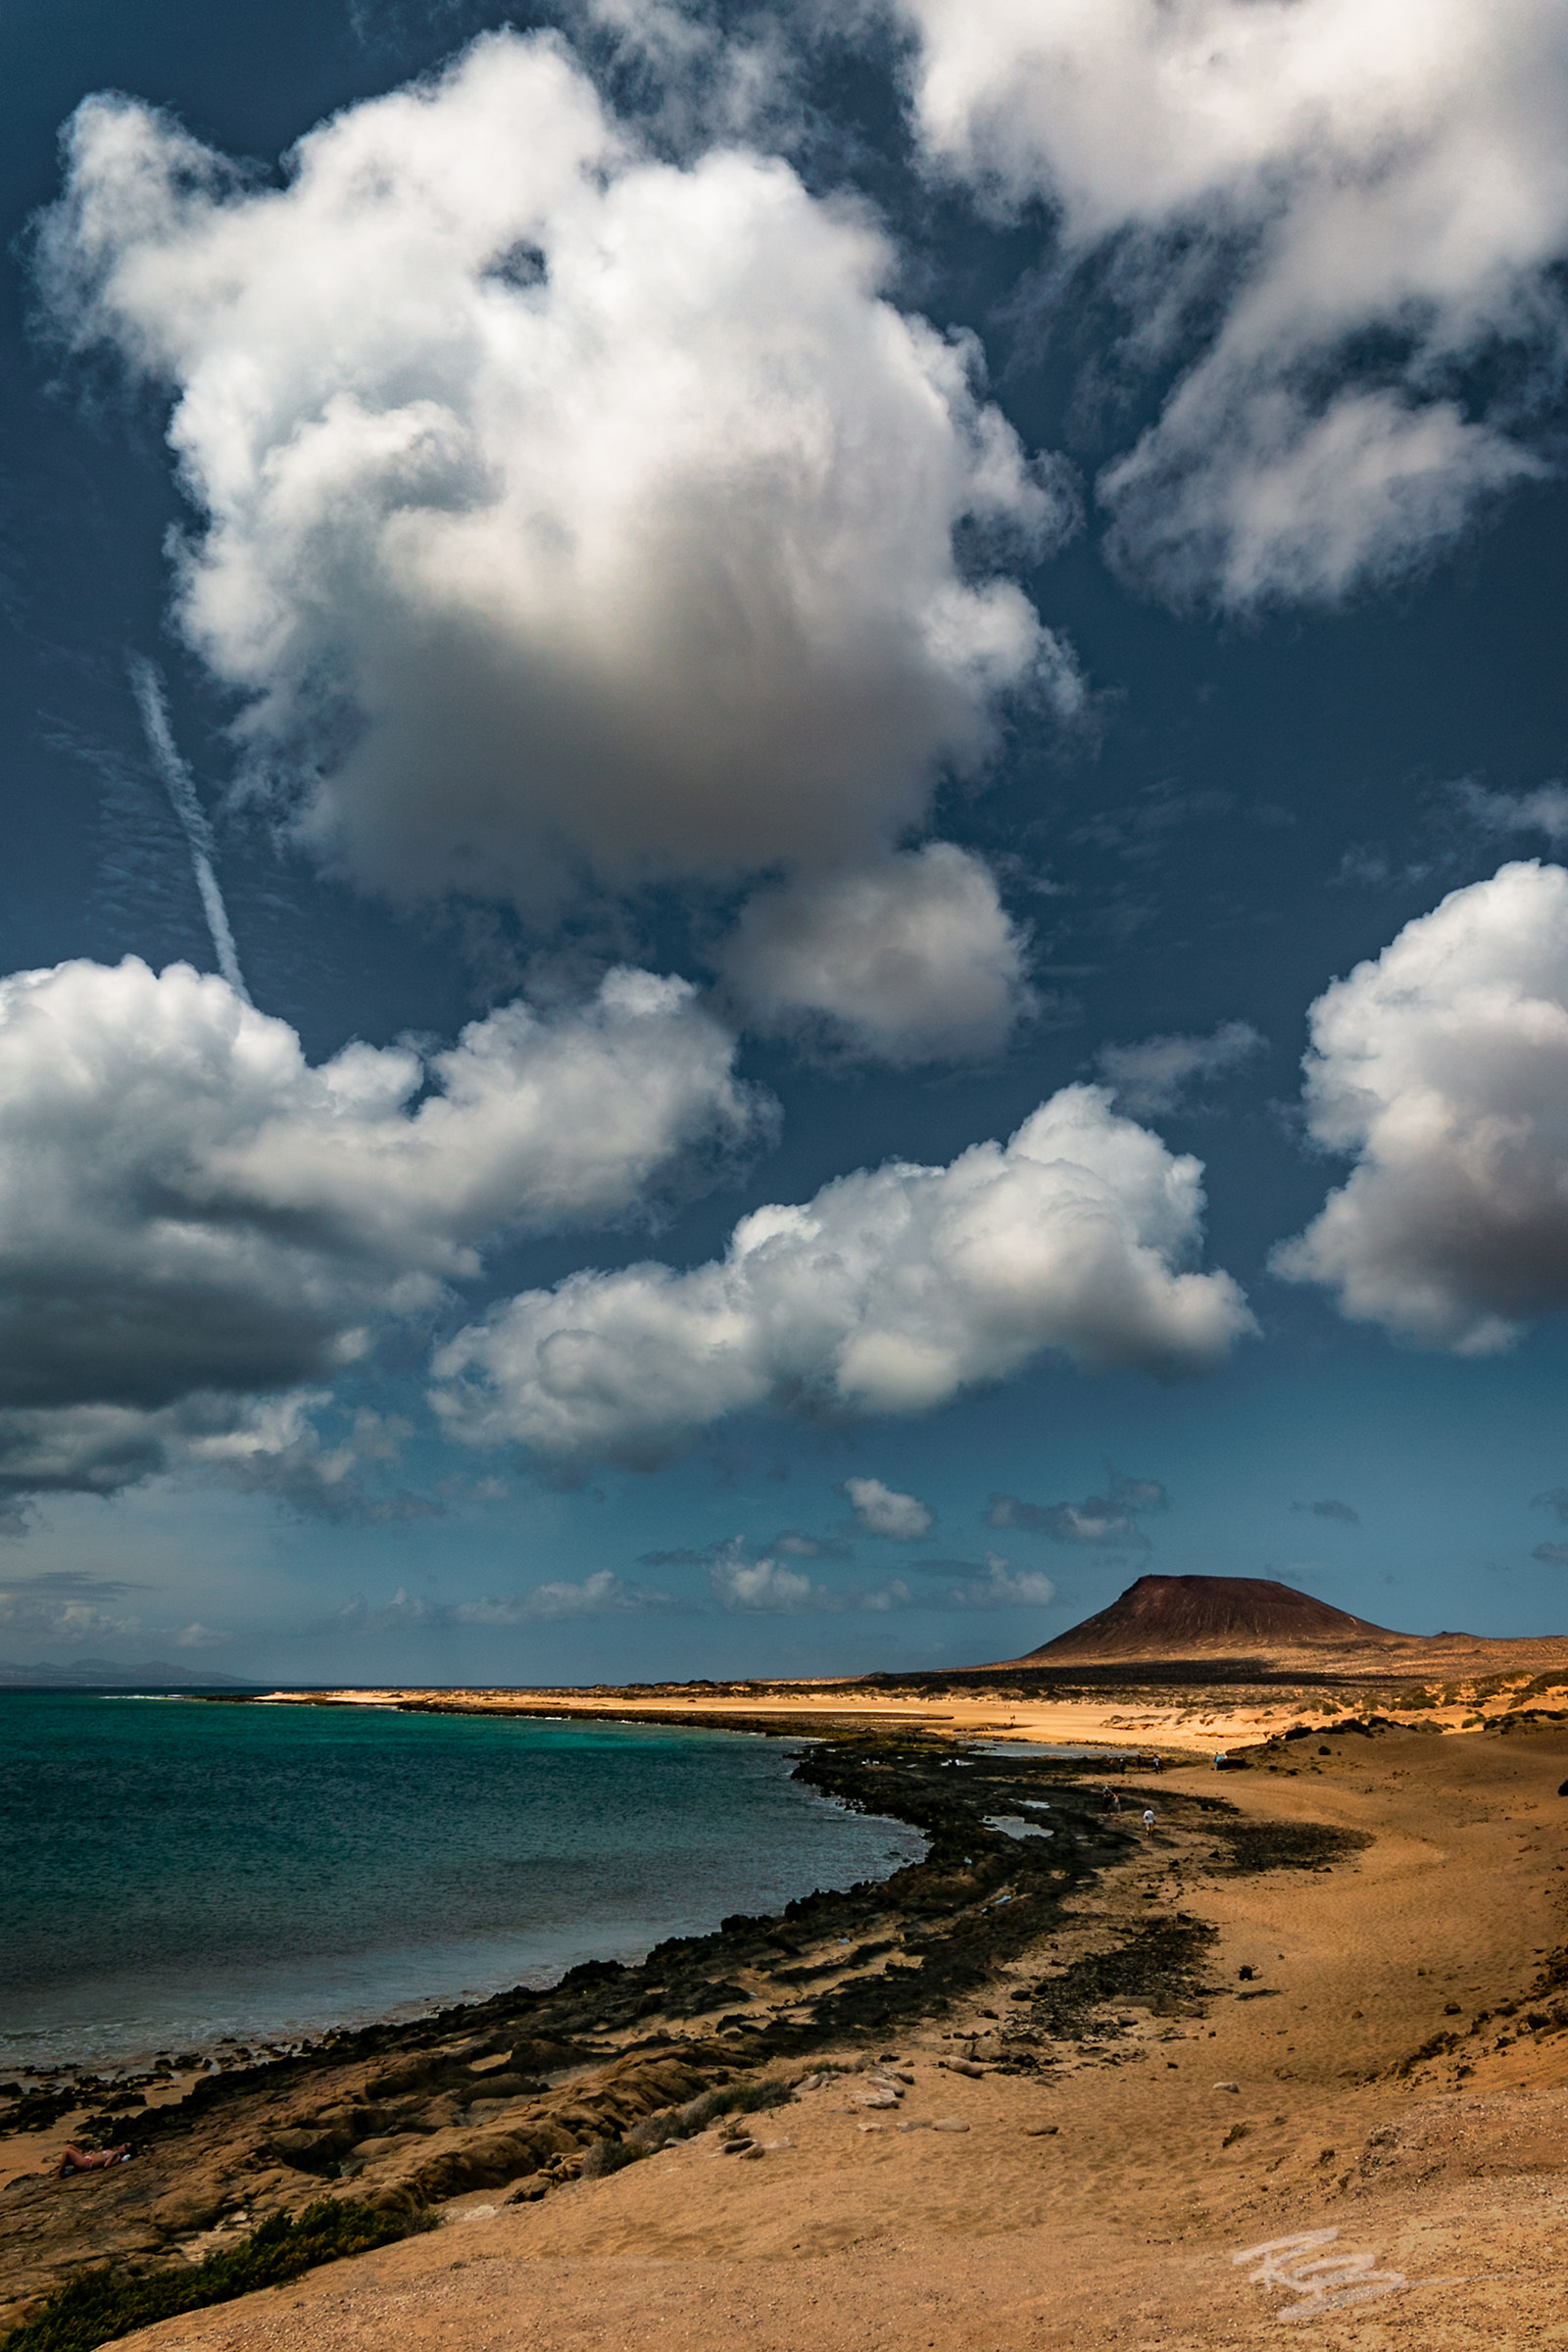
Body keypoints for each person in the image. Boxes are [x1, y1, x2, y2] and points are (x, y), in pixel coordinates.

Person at [55, 2143, 134, 2178]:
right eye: (124, 2144)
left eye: (126, 2146)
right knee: (69, 2146)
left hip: (87, 2164)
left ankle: (58, 2174)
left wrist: (114, 2155)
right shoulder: (113, 2151)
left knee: (67, 2151)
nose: (123, 2146)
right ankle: (61, 2169)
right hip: (86, 2158)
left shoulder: (118, 2158)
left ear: (126, 2151)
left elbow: (106, 2165)